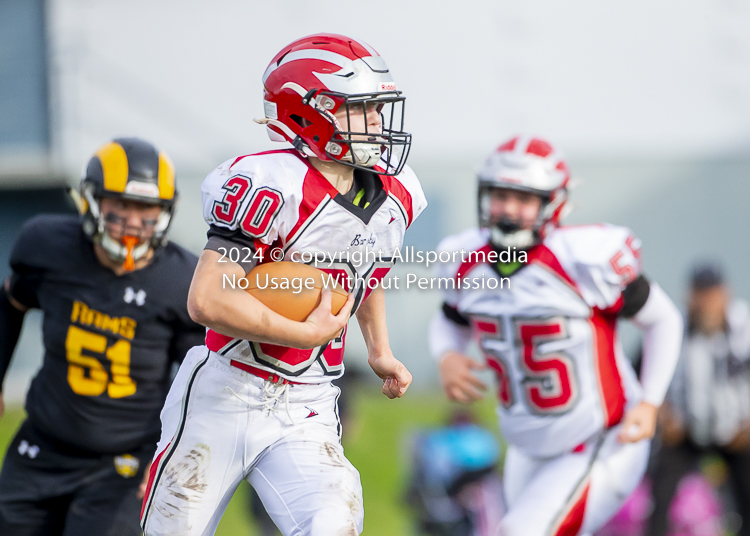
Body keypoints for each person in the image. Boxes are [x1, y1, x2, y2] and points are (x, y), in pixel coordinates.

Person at [140, 33, 426, 536]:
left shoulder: (394, 192)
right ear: (308, 113)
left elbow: (365, 272)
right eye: (361, 108)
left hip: (307, 403)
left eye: (378, 107)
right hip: (225, 392)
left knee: (332, 522)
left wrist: (379, 349)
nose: (378, 122)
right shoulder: (270, 183)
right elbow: (207, 298)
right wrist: (302, 333)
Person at [429, 136, 683, 536]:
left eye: (523, 198)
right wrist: (447, 354)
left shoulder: (583, 259)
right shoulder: (465, 260)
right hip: (526, 449)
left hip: (599, 439)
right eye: (500, 195)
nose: (509, 209)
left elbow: (663, 319)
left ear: (553, 203)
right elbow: (449, 319)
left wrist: (650, 403)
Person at [0, 137, 205, 536]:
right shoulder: (48, 247)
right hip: (43, 444)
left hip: (125, 460)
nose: (132, 220)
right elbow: (11, 302)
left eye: (146, 207)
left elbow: (201, 373)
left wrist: (175, 450)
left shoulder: (181, 281)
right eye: (121, 205)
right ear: (92, 200)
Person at [647, 263, 750, 536]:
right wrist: (660, 413)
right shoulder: (671, 326)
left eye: (713, 294)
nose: (707, 303)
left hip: (736, 433)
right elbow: (640, 375)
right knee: (660, 496)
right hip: (684, 432)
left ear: (725, 294)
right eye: (701, 294)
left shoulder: (744, 327)